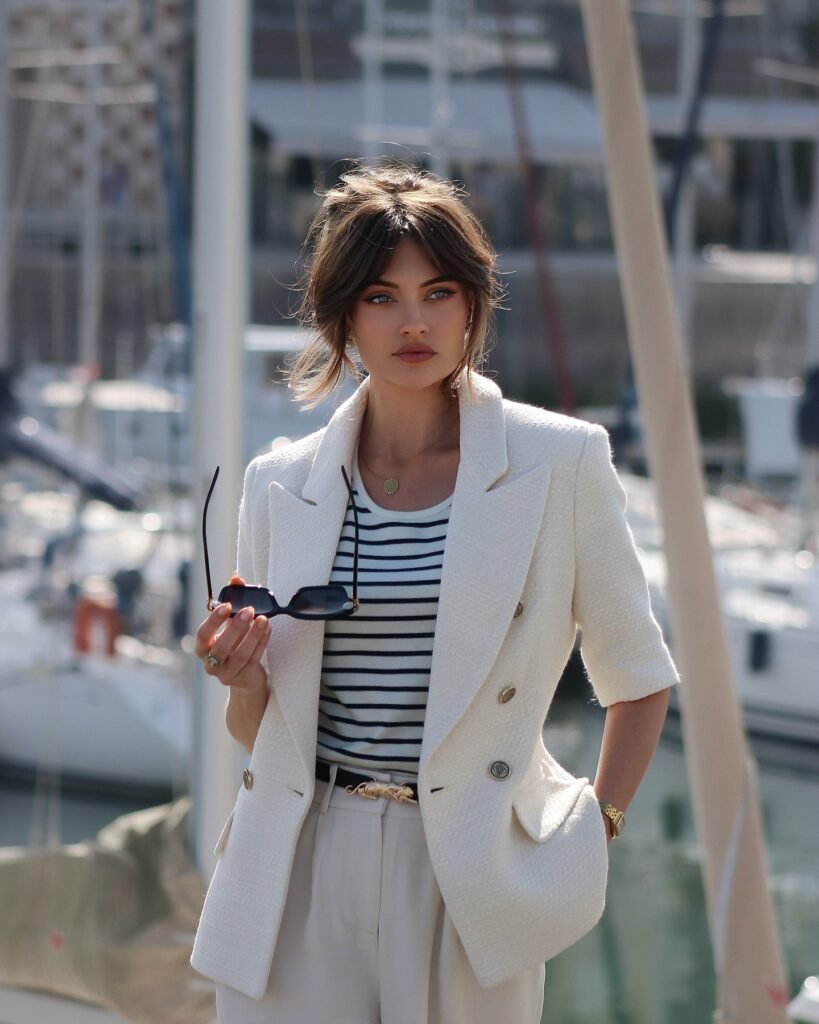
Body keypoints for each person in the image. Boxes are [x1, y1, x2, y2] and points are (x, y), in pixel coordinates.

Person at [190, 160, 680, 1024]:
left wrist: (594, 830)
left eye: (438, 293)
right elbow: (256, 732)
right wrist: (242, 679)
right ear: (342, 316)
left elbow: (638, 676)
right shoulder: (279, 483)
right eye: (381, 297)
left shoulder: (558, 462)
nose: (413, 322)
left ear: (472, 306)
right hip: (297, 861)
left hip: (471, 867)